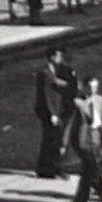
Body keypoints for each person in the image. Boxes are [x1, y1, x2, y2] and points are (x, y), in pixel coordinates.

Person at [61, 75, 102, 202]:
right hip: (82, 141)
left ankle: (80, 201)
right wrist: (63, 143)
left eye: (95, 87)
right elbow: (69, 125)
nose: (93, 90)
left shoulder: (99, 100)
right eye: (90, 87)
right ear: (84, 87)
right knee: (95, 172)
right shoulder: (77, 103)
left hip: (96, 139)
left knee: (88, 171)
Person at [34, 46, 76, 178]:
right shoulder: (45, 73)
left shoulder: (52, 70)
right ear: (52, 57)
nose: (60, 58)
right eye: (58, 56)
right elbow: (47, 95)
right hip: (49, 112)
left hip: (54, 110)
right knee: (52, 140)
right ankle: (49, 168)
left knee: (53, 139)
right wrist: (52, 114)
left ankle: (50, 167)